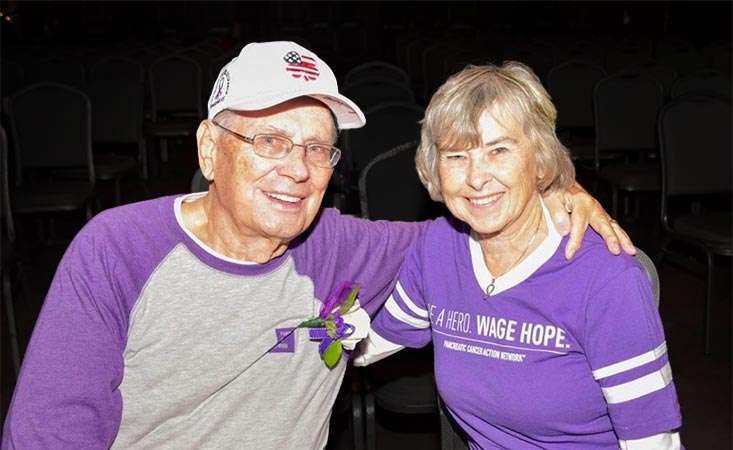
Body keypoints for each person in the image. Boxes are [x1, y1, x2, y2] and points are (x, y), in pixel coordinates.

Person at [2, 42, 632, 449]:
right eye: (270, 141)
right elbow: (47, 434)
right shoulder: (117, 250)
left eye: (316, 148)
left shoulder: (336, 244)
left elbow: (480, 226)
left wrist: (551, 191)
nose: (298, 169)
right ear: (207, 150)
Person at [356, 63, 682, 449]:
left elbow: (653, 441)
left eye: (498, 150)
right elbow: (363, 345)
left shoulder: (605, 277)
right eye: (456, 156)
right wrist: (293, 337)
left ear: (541, 160)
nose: (477, 178)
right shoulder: (439, 249)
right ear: (433, 169)